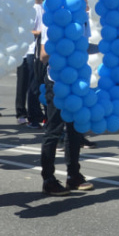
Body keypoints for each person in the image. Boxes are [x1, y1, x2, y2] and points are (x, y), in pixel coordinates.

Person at [37, 13, 95, 196]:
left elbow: (84, 47)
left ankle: (73, 175)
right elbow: (43, 54)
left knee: (75, 129)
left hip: (77, 81)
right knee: (54, 130)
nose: (84, 2)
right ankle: (48, 179)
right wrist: (65, 48)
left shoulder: (83, 17)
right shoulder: (55, 16)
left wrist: (105, 47)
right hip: (58, 82)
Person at [14, 0, 47, 128]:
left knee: (41, 84)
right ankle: (30, 116)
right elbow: (25, 29)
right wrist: (39, 33)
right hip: (30, 50)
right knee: (31, 85)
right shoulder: (28, 8)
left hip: (43, 49)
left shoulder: (45, 7)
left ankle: (39, 114)